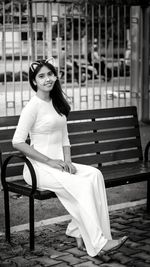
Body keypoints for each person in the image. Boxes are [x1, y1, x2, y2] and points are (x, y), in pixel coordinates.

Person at [12, 57, 128, 257]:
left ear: (56, 76)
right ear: (34, 82)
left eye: (50, 74)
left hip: (59, 165)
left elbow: (65, 139)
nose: (47, 79)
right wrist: (50, 161)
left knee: (95, 175)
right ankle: (99, 243)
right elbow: (17, 141)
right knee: (82, 186)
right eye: (41, 76)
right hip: (38, 169)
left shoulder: (56, 104)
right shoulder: (33, 106)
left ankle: (83, 231)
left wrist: (67, 162)